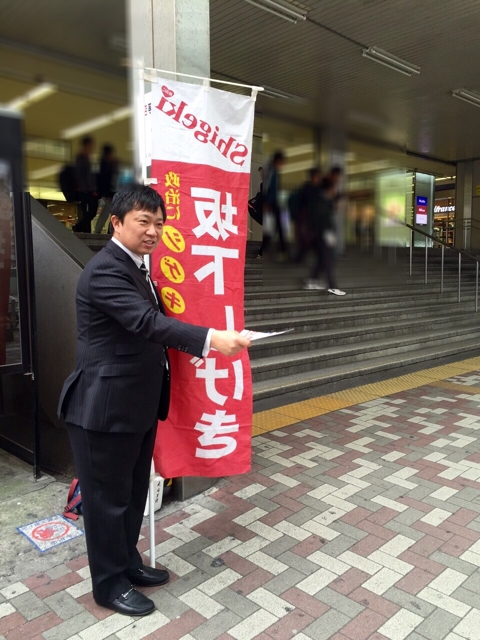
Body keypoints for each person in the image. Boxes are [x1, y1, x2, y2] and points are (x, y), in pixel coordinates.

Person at [58, 185, 250, 617]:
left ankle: (127, 564)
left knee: (130, 495)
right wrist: (210, 339)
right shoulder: (105, 271)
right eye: (143, 221)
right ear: (116, 222)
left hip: (134, 405)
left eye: (159, 223)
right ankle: (109, 585)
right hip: (102, 409)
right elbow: (146, 323)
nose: (153, 231)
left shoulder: (137, 268)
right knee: (106, 503)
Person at [304, 177, 346, 296]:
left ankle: (312, 280)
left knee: (322, 259)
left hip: (321, 234)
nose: (335, 191)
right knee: (328, 259)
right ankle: (332, 286)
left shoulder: (324, 200)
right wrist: (327, 233)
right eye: (334, 188)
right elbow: (321, 220)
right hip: (323, 233)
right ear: (329, 189)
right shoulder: (321, 201)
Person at [258, 151, 286, 258]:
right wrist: (265, 203)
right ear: (277, 160)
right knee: (270, 228)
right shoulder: (270, 170)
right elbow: (265, 187)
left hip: (274, 202)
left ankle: (281, 250)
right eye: (281, 162)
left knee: (277, 226)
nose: (282, 164)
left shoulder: (275, 171)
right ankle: (264, 251)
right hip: (269, 203)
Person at [73, 135, 98, 233]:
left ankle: (83, 228)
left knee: (88, 212)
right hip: (85, 190)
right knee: (91, 211)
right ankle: (79, 227)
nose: (92, 148)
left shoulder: (86, 158)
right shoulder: (81, 157)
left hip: (86, 189)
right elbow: (82, 175)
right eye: (91, 145)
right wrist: (89, 188)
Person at [94, 144, 118, 234]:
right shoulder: (106, 166)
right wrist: (106, 193)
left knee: (107, 212)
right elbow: (106, 180)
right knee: (108, 212)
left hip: (108, 193)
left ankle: (100, 230)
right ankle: (102, 230)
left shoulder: (103, 165)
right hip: (109, 193)